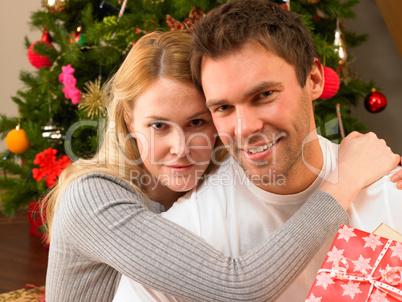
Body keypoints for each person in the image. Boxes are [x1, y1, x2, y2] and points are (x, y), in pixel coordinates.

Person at [43, 30, 401, 302]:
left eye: (198, 122)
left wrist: (379, 177)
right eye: (158, 126)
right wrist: (346, 179)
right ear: (128, 124)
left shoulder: (209, 176)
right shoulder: (93, 198)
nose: (181, 148)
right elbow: (236, 288)